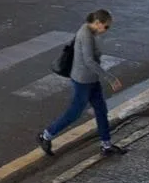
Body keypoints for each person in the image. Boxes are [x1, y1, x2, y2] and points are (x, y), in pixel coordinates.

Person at [38, 10, 127, 157]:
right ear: (97, 23)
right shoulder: (85, 34)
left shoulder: (91, 33)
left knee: (101, 110)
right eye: (105, 27)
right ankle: (45, 135)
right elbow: (89, 61)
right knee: (74, 113)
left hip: (91, 80)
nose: (106, 30)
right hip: (83, 81)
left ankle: (106, 145)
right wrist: (109, 77)